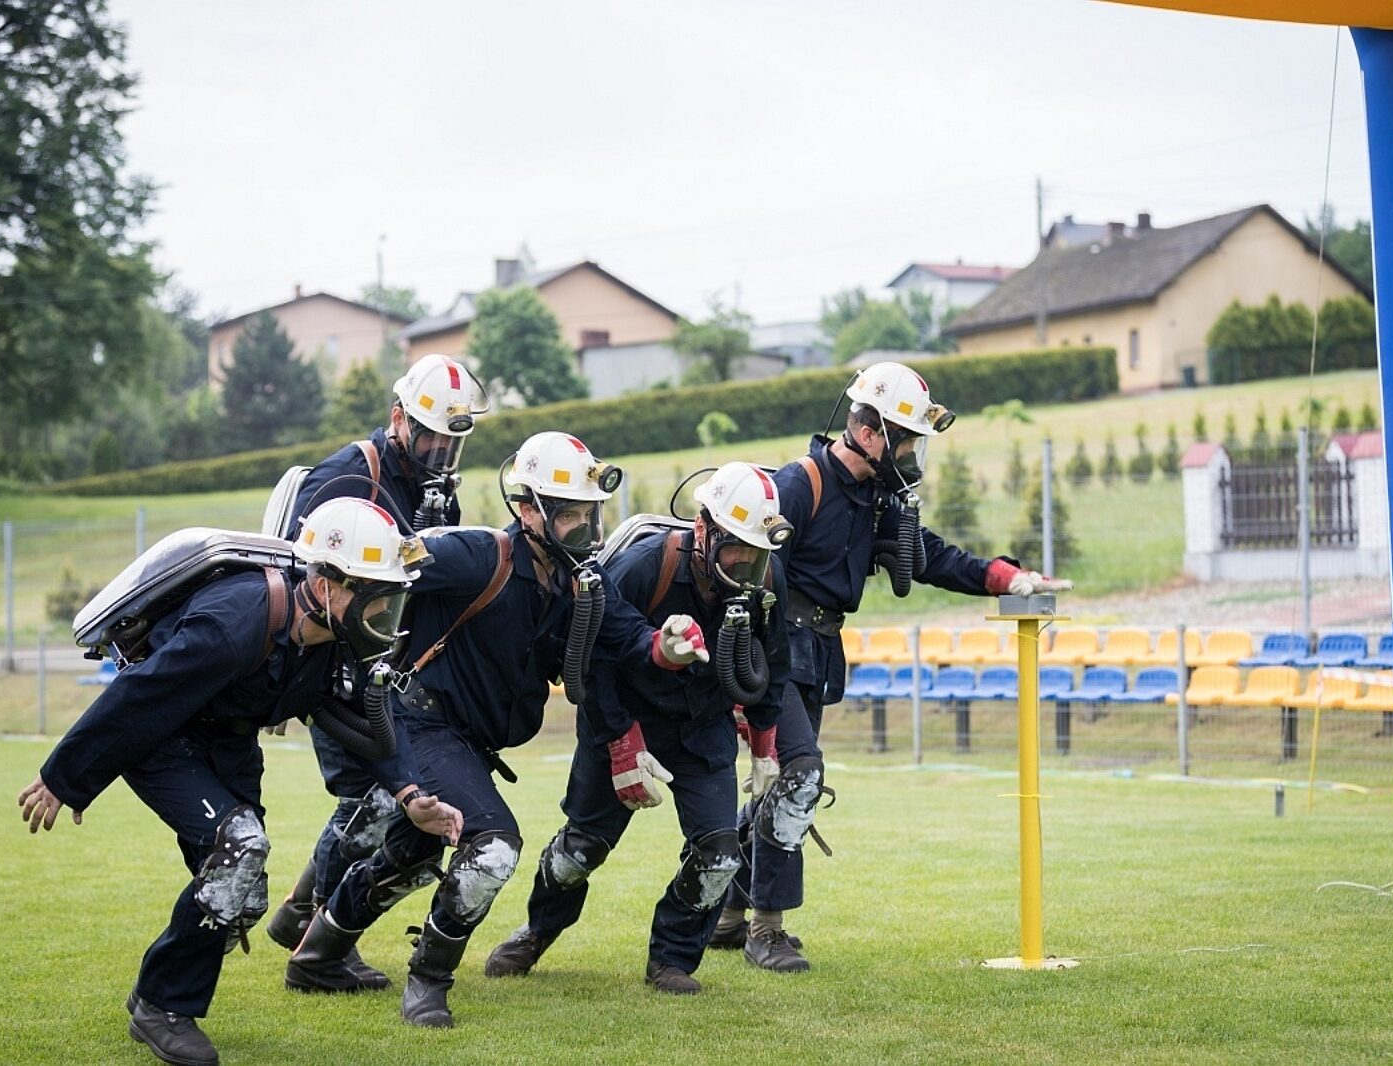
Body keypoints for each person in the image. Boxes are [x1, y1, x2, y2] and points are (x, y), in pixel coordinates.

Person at [16, 498, 463, 1066]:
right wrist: (65, 778)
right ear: (326, 585)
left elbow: (370, 725)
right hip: (162, 739)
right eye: (376, 595)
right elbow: (138, 697)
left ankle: (164, 983)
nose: (385, 612)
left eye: (391, 597)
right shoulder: (234, 623)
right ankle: (161, 1006)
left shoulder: (335, 645)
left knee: (245, 901)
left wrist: (412, 796)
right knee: (240, 848)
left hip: (227, 746)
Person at [284, 431, 709, 1028]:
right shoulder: (477, 554)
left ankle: (317, 956)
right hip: (421, 722)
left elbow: (631, 637)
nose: (585, 528)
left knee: (413, 854)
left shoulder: (582, 581)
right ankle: (429, 982)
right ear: (528, 509)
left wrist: (668, 645)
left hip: (469, 743)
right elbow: (374, 575)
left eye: (590, 513)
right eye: (569, 513)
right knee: (493, 846)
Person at [710, 361, 1071, 973]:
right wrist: (744, 687)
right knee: (799, 776)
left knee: (784, 782)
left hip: (819, 651)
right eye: (905, 441)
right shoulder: (797, 486)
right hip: (774, 651)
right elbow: (743, 581)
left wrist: (1002, 575)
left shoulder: (876, 497)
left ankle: (725, 912)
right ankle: (766, 931)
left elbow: (924, 557)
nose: (911, 455)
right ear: (868, 431)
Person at [486, 462, 792, 994]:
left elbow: (774, 659)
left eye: (757, 553)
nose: (747, 564)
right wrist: (621, 743)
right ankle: (537, 931)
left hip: (702, 727)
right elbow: (592, 660)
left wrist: (765, 744)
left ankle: (672, 959)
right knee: (579, 851)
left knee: (719, 855)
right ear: (704, 529)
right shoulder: (644, 566)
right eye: (736, 549)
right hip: (622, 719)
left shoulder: (766, 577)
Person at [266, 352, 483, 991]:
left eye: (452, 442)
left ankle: (300, 915)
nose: (441, 452)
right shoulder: (347, 476)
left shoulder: (434, 488)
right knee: (369, 799)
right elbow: (305, 575)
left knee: (368, 798)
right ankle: (320, 941)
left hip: (381, 661)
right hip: (331, 662)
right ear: (398, 419)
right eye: (431, 436)